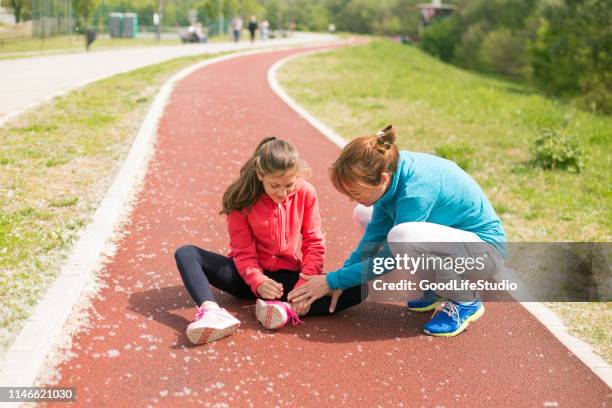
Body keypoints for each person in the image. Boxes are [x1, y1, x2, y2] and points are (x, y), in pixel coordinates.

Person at [288, 125, 506, 337]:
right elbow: (372, 237)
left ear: (383, 178)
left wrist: (334, 280)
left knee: (402, 237)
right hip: (456, 244)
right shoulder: (390, 174)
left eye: (355, 191)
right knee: (363, 213)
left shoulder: (416, 190)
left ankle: (465, 300)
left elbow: (391, 258)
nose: (352, 198)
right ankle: (441, 286)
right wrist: (340, 280)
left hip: (484, 254)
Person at [175, 137, 366, 345]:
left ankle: (284, 310)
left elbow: (313, 243)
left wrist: (305, 285)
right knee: (186, 253)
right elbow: (243, 253)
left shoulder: (306, 192)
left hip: (288, 281)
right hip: (246, 278)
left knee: (357, 287)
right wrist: (258, 281)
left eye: (289, 185)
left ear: (298, 176)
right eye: (274, 185)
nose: (283, 193)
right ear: (260, 175)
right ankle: (212, 312)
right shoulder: (241, 200)